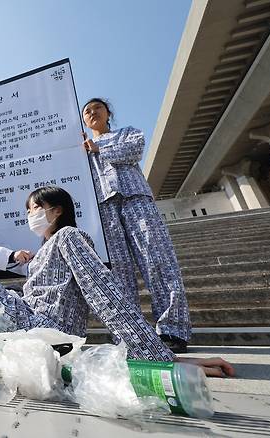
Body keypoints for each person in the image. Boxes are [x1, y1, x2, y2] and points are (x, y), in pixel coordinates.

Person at [0, 186, 233, 377]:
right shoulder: (45, 250)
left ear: (55, 211)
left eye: (34, 208)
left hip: (46, 329)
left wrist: (161, 359)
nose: (29, 216)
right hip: (30, 320)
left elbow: (104, 292)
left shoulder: (68, 236)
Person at [81, 98, 191, 353]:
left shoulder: (126, 133)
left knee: (158, 259)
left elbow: (134, 150)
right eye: (87, 111)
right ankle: (127, 333)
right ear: (84, 121)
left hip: (136, 199)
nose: (92, 112)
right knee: (118, 272)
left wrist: (98, 149)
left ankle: (173, 329)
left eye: (97, 108)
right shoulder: (81, 149)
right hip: (103, 207)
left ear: (108, 113)